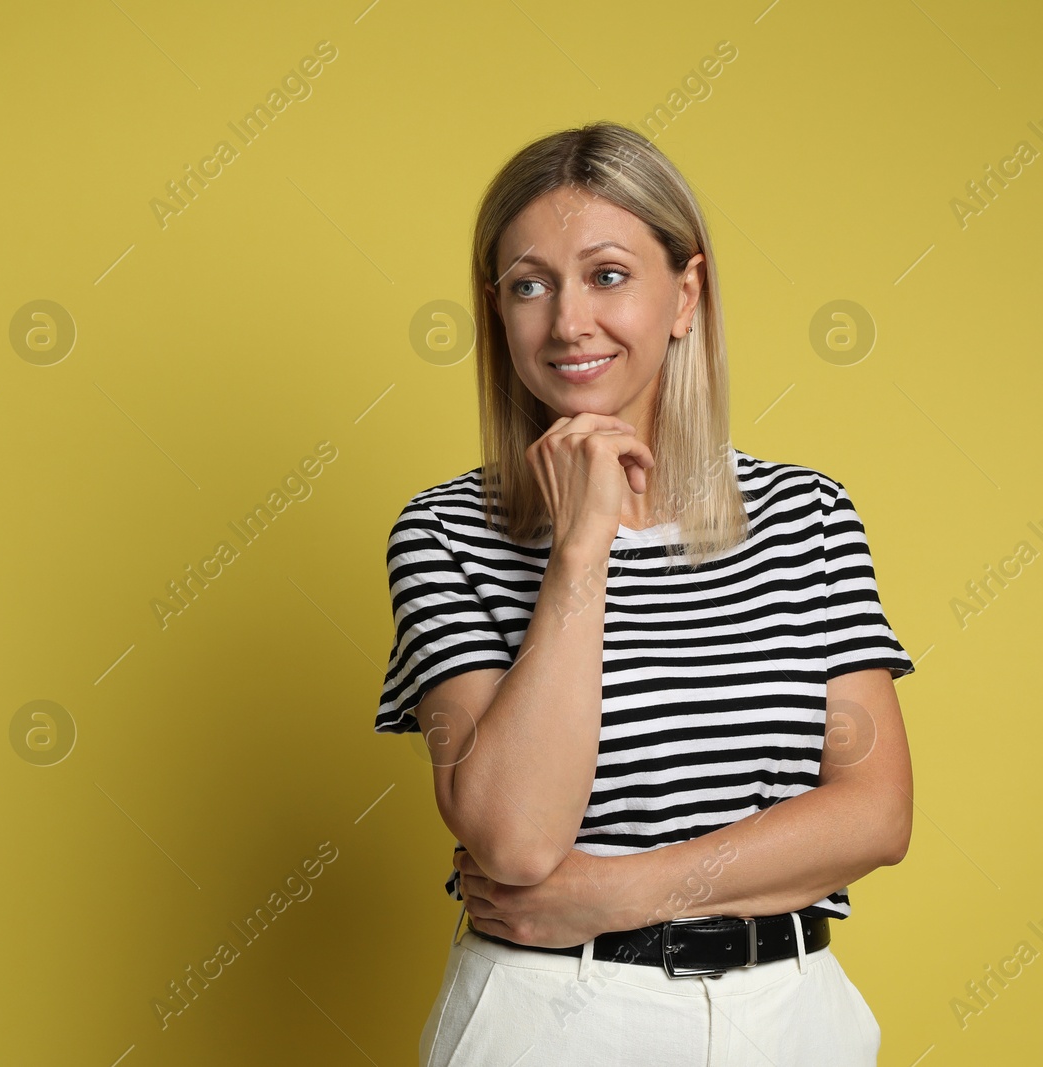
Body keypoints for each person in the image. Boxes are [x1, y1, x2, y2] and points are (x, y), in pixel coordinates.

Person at [375, 122, 915, 1067]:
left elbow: (874, 812)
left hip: (790, 1017)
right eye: (530, 284)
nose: (568, 321)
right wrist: (581, 549)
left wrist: (624, 892)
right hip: (549, 1017)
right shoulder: (444, 533)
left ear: (686, 294)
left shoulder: (807, 514)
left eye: (608, 275)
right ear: (498, 312)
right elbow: (512, 837)